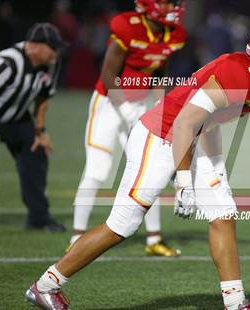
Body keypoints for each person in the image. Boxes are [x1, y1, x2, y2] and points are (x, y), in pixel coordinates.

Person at [25, 20, 250, 310]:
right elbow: (185, 122)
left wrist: (217, 166)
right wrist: (184, 181)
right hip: (159, 136)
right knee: (122, 225)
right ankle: (45, 286)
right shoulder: (240, 75)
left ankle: (235, 303)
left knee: (223, 213)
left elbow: (207, 123)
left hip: (187, 137)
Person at [69, 0, 186, 256]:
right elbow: (109, 75)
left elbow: (160, 71)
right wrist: (124, 109)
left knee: (150, 168)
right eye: (168, 3)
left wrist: (160, 105)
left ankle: (153, 239)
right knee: (98, 170)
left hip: (139, 104)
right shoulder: (128, 26)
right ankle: (76, 236)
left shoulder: (173, 34)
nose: (174, 7)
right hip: (109, 104)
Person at [0, 23, 66, 232]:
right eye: (52, 47)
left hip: (16, 118)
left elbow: (43, 98)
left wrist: (40, 131)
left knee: (36, 154)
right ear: (35, 46)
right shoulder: (8, 63)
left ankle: (39, 218)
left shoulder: (51, 64)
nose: (56, 52)